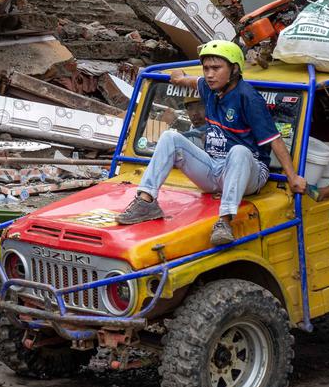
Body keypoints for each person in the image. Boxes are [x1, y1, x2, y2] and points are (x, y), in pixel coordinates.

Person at [118, 40, 306, 245]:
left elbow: (275, 140)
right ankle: (146, 201)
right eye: (206, 68)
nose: (209, 74)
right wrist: (181, 78)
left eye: (216, 68)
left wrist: (293, 177)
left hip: (250, 172)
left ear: (234, 69)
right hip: (214, 168)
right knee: (169, 138)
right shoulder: (210, 87)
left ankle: (224, 221)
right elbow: (195, 81)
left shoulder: (248, 97)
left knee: (240, 151)